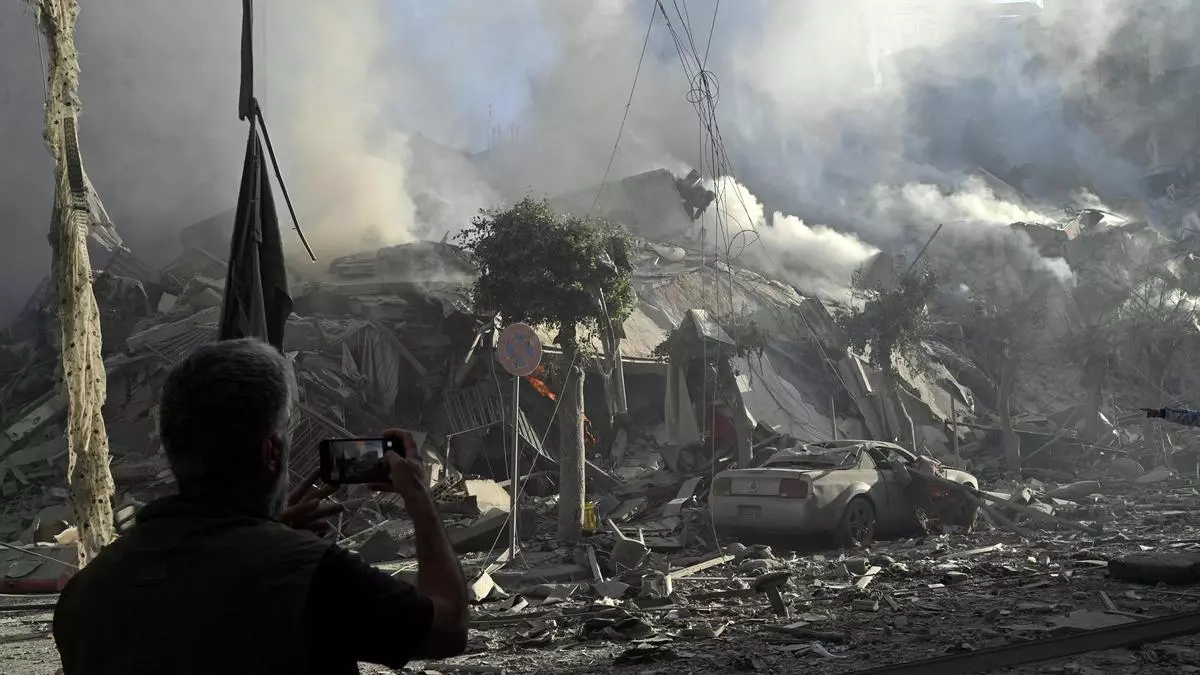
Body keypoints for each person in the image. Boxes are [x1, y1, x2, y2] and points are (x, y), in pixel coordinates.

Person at [53, 339, 467, 674]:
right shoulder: (310, 573)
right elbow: (447, 628)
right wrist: (419, 498)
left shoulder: (84, 593)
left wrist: (268, 533)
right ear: (271, 451)